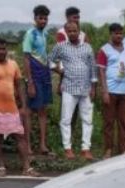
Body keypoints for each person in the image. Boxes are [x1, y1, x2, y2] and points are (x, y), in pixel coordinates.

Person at [0, 38, 39, 177]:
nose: (1, 51)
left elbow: (20, 85)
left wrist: (23, 106)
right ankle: (0, 167)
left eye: (3, 48)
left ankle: (27, 168)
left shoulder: (13, 64)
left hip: (12, 108)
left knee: (20, 137)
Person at [49, 22, 96, 159]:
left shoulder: (87, 47)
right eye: (69, 31)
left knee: (87, 119)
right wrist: (60, 71)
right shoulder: (61, 47)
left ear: (79, 31)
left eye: (75, 31)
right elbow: (50, 61)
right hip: (69, 88)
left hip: (86, 89)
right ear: (66, 32)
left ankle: (85, 149)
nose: (72, 33)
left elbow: (93, 68)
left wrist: (93, 87)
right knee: (66, 119)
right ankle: (67, 148)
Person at [97, 23, 125, 158]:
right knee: (108, 122)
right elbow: (101, 71)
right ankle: (108, 149)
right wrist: (105, 91)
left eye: (121, 33)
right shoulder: (104, 50)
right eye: (116, 33)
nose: (119, 36)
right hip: (111, 91)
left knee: (124, 122)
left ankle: (123, 149)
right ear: (111, 34)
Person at [22, 5, 53, 156]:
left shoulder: (45, 34)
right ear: (35, 18)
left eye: (45, 18)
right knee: (29, 111)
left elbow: (45, 54)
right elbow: (26, 58)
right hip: (34, 73)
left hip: (45, 73)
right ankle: (27, 146)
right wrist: (30, 82)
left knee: (43, 109)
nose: (43, 21)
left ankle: (42, 145)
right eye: (40, 18)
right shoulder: (30, 34)